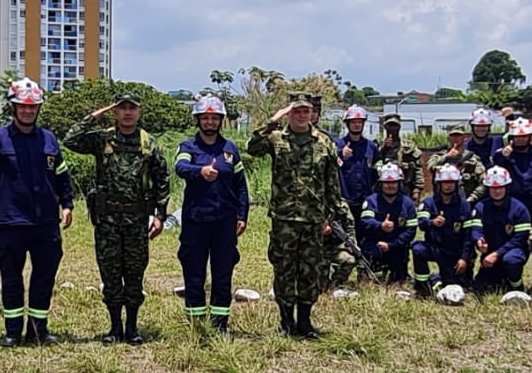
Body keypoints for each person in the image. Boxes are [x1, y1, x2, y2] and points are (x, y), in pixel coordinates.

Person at [0, 80, 74, 346]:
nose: (28, 112)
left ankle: (38, 330)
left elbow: (62, 175)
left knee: (44, 277)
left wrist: (67, 204)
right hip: (12, 221)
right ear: (13, 108)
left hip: (46, 223)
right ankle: (13, 332)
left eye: (33, 107)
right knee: (11, 277)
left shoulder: (48, 139)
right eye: (22, 107)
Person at [65, 93, 171, 344]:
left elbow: (162, 180)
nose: (127, 113)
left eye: (132, 108)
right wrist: (95, 115)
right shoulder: (103, 138)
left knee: (134, 274)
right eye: (121, 108)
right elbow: (71, 139)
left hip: (136, 220)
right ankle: (114, 328)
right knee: (110, 274)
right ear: (115, 112)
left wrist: (160, 215)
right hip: (108, 220)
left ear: (139, 112)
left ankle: (132, 328)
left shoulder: (149, 143)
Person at [247, 93, 352, 339]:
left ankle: (304, 322)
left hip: (314, 220)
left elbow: (331, 183)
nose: (302, 115)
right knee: (284, 270)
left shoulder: (324, 142)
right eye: (296, 111)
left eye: (306, 111)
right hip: (284, 219)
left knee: (310, 271)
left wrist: (332, 215)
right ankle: (286, 322)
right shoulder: (276, 138)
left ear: (312, 114)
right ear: (289, 113)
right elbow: (252, 147)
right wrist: (273, 120)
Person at [174, 95, 249, 334]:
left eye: (214, 118)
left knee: (223, 273)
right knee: (194, 272)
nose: (209, 122)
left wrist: (242, 215)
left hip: (225, 222)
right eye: (205, 118)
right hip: (196, 220)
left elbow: (241, 185)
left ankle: (220, 325)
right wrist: (200, 171)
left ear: (221, 120)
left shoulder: (230, 149)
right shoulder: (188, 147)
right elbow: (180, 167)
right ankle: (196, 325)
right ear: (198, 120)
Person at [412, 163, 476, 296]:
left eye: (451, 182)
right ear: (439, 183)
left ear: (456, 184)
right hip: (435, 248)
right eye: (445, 182)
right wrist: (432, 222)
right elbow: (422, 223)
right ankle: (422, 287)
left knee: (457, 285)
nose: (448, 185)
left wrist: (464, 258)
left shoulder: (464, 206)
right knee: (418, 249)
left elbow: (469, 236)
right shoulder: (428, 202)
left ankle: (438, 279)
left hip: (455, 252)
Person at [471, 166, 532, 295]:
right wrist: (479, 241)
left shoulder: (519, 209)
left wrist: (496, 254)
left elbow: (519, 239)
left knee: (510, 261)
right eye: (493, 188)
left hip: (513, 251)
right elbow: (476, 229)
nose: (497, 191)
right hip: (489, 255)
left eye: (500, 187)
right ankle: (502, 280)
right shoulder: (481, 207)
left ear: (507, 187)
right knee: (481, 288)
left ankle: (517, 286)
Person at [357, 162, 417, 283]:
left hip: (397, 246)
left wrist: (391, 245)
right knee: (373, 274)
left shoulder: (408, 204)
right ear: (381, 184)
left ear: (399, 183)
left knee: (398, 279)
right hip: (375, 244)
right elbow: (365, 221)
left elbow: (410, 231)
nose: (390, 186)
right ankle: (368, 271)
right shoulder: (371, 201)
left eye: (393, 182)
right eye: (386, 183)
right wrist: (381, 226)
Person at [496, 117, 532, 218]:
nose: (521, 139)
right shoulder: (503, 155)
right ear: (512, 137)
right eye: (517, 136)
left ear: (529, 136)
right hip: (511, 204)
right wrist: (503, 156)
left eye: (524, 136)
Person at [335, 105, 377, 226]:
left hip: (366, 200)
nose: (357, 125)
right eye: (353, 122)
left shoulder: (371, 146)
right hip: (345, 200)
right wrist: (340, 154)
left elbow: (376, 167)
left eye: (360, 122)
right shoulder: (337, 145)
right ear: (347, 124)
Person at [373, 113, 425, 202]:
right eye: (389, 125)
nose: (392, 128)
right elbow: (372, 165)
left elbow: (418, 168)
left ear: (399, 127)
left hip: (405, 188)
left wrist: (417, 189)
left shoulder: (409, 146)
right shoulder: (377, 146)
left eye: (395, 125)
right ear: (385, 127)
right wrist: (383, 148)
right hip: (383, 189)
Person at [435, 123, 485, 203]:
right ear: (448, 138)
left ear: (465, 137)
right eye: (453, 136)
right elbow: (430, 167)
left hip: (466, 201)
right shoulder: (439, 155)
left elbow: (484, 181)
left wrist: (473, 197)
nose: (456, 138)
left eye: (459, 135)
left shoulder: (472, 158)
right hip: (441, 202)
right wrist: (447, 156)